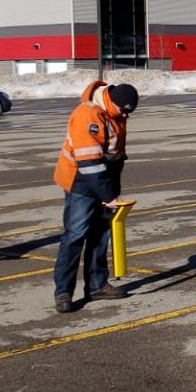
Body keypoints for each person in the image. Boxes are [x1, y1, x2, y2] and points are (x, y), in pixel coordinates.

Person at [51, 80, 138, 313]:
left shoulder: (116, 114)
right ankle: (63, 293)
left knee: (100, 236)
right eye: (123, 110)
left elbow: (116, 156)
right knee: (75, 235)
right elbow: (89, 162)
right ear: (112, 101)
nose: (124, 115)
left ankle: (97, 285)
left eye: (128, 112)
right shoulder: (88, 115)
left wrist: (112, 192)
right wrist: (108, 195)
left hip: (103, 184)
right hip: (80, 182)